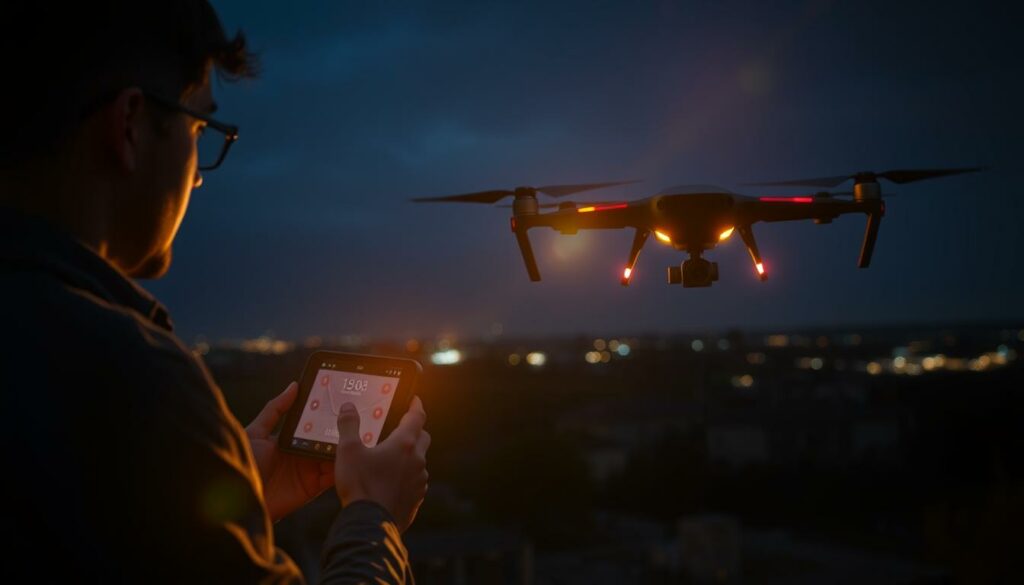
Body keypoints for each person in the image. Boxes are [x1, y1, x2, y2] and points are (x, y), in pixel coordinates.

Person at [0, 2, 429, 583]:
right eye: (200, 128)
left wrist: (232, 503)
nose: (198, 172)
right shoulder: (132, 380)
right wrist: (374, 519)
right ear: (129, 125)